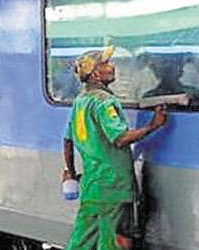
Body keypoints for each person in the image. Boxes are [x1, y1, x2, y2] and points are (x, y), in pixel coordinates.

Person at [62, 46, 168, 249]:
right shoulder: (105, 102)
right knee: (113, 243)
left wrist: (70, 172)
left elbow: (67, 141)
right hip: (113, 186)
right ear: (95, 74)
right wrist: (154, 125)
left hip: (92, 187)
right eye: (106, 64)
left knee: (81, 243)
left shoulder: (80, 101)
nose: (112, 67)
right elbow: (120, 139)